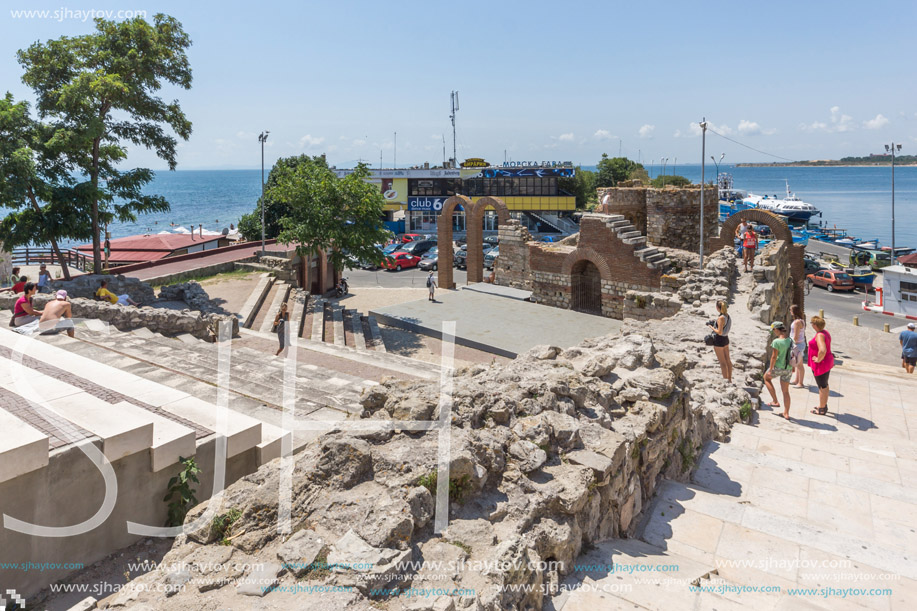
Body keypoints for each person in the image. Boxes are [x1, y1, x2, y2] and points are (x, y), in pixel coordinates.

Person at [764, 321, 795, 420]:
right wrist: (793, 367)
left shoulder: (776, 342)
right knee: (786, 391)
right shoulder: (790, 340)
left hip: (778, 366)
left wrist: (771, 369)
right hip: (788, 368)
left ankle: (775, 401)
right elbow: (792, 354)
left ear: (777, 329)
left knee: (766, 378)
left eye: (774, 330)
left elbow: (773, 357)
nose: (774, 332)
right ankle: (786, 413)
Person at [808, 315, 835, 416]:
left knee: (822, 387)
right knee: (825, 385)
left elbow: (822, 350)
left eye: (812, 323)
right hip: (827, 362)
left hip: (821, 365)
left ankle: (822, 408)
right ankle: (823, 405)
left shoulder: (819, 335)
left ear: (815, 325)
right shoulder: (825, 332)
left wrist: (818, 359)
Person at [707, 300, 733, 382]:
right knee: (728, 360)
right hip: (726, 339)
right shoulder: (727, 316)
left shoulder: (721, 318)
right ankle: (729, 379)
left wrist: (711, 327)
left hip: (719, 341)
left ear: (717, 308)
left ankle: (725, 381)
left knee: (722, 362)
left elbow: (719, 332)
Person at [789, 304, 807, 388]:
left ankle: (800, 383)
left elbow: (795, 336)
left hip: (797, 345)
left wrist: (791, 343)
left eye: (790, 310)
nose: (790, 311)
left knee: (799, 365)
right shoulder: (801, 320)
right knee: (798, 363)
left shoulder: (797, 322)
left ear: (794, 311)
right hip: (800, 344)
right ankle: (797, 380)